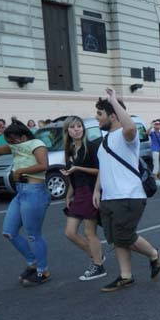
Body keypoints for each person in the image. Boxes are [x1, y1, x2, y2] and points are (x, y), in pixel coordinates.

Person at [92, 88, 160, 292]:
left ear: (113, 115)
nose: (96, 118)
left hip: (129, 195)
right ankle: (125, 276)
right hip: (109, 197)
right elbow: (104, 167)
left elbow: (131, 126)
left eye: (99, 114)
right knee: (116, 238)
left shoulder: (127, 136)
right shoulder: (104, 141)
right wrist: (97, 190)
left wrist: (114, 100)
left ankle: (154, 254)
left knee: (124, 235)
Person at [0, 120, 51, 285]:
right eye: (8, 140)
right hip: (21, 192)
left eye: (13, 140)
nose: (10, 143)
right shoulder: (14, 146)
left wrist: (21, 170)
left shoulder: (36, 143)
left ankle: (43, 271)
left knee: (33, 235)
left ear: (23, 137)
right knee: (9, 232)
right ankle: (33, 263)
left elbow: (44, 165)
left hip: (35, 191)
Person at [61, 116, 106, 281]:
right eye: (72, 127)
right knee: (70, 232)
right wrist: (68, 194)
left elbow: (100, 170)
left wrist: (77, 167)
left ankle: (98, 265)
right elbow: (72, 175)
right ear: (67, 131)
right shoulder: (70, 150)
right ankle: (97, 257)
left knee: (89, 233)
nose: (77, 129)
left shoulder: (92, 146)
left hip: (90, 190)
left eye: (79, 126)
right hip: (78, 192)